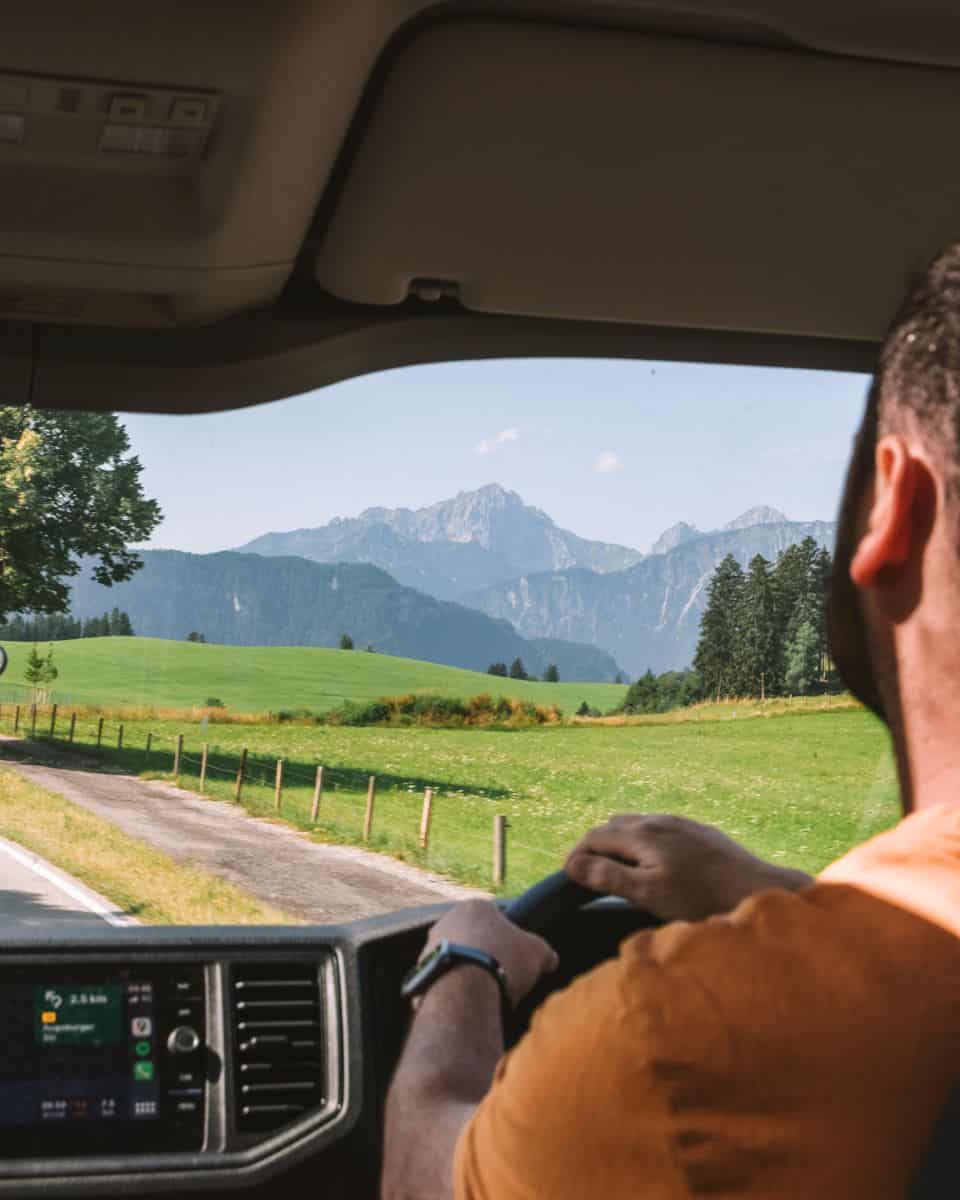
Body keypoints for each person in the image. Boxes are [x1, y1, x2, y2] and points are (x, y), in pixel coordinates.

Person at [382, 245, 960, 1200]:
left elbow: (419, 1178)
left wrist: (464, 964)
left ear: (895, 506)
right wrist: (787, 898)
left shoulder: (676, 1047)